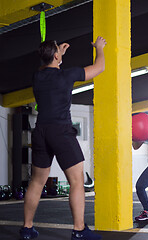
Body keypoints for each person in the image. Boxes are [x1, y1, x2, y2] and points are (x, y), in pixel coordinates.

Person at [19, 36, 106, 240]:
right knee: (77, 181)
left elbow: (47, 67)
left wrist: (58, 56)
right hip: (61, 131)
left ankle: (27, 228)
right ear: (56, 55)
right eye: (58, 51)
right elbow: (99, 67)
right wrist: (99, 48)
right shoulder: (68, 75)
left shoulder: (37, 77)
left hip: (41, 131)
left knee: (36, 181)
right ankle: (79, 230)